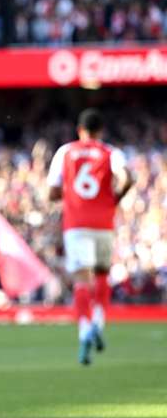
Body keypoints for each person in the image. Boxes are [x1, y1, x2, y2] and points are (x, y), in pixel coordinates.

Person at [47, 109, 133, 365]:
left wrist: (69, 195)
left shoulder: (65, 151)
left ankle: (85, 332)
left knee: (81, 279)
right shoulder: (110, 152)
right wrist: (116, 198)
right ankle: (98, 322)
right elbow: (129, 177)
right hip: (103, 222)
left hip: (76, 224)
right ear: (101, 131)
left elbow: (51, 192)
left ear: (79, 130)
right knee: (102, 274)